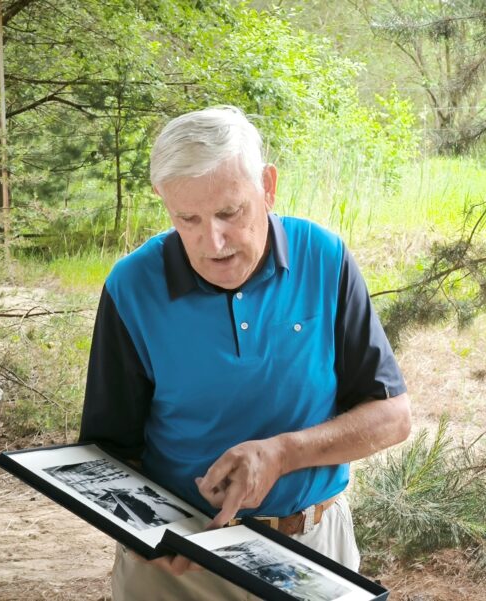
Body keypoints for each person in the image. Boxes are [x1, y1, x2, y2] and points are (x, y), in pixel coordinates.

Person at [79, 106, 411, 600]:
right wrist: (146, 529)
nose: (212, 242)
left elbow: (393, 417)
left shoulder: (325, 257)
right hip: (178, 572)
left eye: (229, 213)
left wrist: (283, 453)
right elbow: (107, 452)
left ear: (268, 187)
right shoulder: (132, 285)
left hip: (313, 550)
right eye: (187, 219)